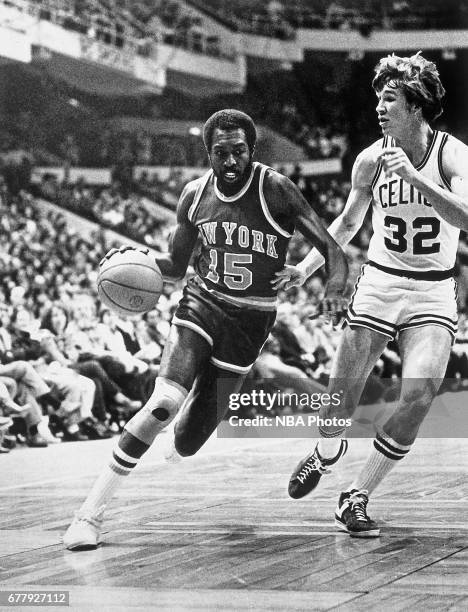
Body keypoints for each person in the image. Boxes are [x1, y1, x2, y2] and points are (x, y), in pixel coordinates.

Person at [63, 108, 348, 550]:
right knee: (163, 402)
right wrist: (130, 261)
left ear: (251, 150)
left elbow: (332, 248)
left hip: (250, 321)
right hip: (200, 305)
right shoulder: (194, 195)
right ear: (208, 153)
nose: (231, 161)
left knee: (189, 439)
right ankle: (89, 515)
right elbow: (176, 266)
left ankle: (181, 435)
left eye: (239, 152)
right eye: (221, 153)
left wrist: (333, 286)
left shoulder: (275, 189)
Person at [276, 53, 468, 537]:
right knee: (339, 401)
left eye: (390, 99)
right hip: (380, 282)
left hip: (432, 291)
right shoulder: (369, 158)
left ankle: (356, 495)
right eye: (378, 98)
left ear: (416, 105)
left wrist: (414, 178)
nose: (380, 107)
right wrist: (305, 267)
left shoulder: (452, 155)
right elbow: (346, 224)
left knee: (420, 395)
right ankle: (327, 449)